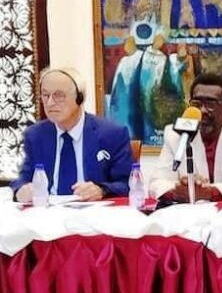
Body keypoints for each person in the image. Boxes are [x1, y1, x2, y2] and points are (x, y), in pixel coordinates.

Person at [11, 67, 133, 202]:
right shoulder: (35, 135)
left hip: (93, 210)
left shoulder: (112, 134)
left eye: (58, 95)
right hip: (47, 211)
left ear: (79, 98)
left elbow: (127, 184)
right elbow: (22, 179)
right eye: (45, 95)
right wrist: (20, 191)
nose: (50, 103)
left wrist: (102, 189)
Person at [149, 73, 222, 202]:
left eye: (210, 103)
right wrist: (178, 191)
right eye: (196, 103)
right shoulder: (176, 134)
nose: (202, 110)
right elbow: (155, 184)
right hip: (190, 212)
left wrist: (209, 192)